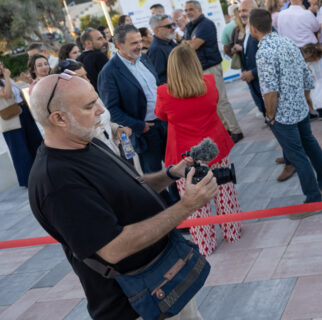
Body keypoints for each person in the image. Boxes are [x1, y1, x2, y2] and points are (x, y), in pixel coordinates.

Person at [27, 73, 214, 320]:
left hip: (164, 285)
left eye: (96, 100)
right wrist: (187, 206)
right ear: (59, 118)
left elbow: (131, 186)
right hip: (136, 306)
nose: (101, 109)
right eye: (89, 105)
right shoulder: (57, 181)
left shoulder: (87, 141)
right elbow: (113, 248)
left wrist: (171, 174)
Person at [155, 45, 242, 257]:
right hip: (215, 148)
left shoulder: (164, 93)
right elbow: (214, 103)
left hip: (185, 157)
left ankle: (205, 245)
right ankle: (232, 232)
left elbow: (161, 116)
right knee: (224, 192)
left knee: (194, 202)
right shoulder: (209, 84)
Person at [251, 9, 322, 212]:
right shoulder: (287, 42)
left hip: (282, 114)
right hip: (299, 107)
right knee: (310, 145)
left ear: (253, 28)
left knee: (297, 156)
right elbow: (306, 73)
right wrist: (306, 98)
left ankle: (313, 200)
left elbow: (270, 91)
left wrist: (270, 116)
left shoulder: (263, 52)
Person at [98, 24, 166, 174]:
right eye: (134, 43)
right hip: (145, 132)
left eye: (140, 41)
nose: (139, 46)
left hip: (165, 124)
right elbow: (111, 110)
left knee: (174, 170)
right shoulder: (109, 72)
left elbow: (157, 87)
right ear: (118, 44)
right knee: (154, 177)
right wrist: (139, 126)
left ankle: (178, 198)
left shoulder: (144, 59)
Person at [183, 0, 243, 143]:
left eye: (191, 9)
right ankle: (227, 130)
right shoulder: (191, 26)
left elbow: (192, 46)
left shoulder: (205, 24)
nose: (188, 12)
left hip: (210, 68)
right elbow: (185, 44)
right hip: (201, 69)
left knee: (221, 100)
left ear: (199, 9)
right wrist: (188, 43)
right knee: (212, 103)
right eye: (186, 10)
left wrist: (188, 43)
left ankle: (236, 131)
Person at [0, 61, 41, 187]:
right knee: (20, 150)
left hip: (23, 112)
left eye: (1, 64)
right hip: (11, 119)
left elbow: (16, 93)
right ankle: (28, 180)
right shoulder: (6, 78)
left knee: (35, 142)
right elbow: (6, 95)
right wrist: (7, 76)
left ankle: (41, 172)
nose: (1, 67)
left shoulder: (5, 79)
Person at [147, 14, 178, 85]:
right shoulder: (156, 50)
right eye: (168, 26)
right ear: (156, 30)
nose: (173, 28)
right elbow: (160, 78)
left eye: (173, 24)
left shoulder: (170, 42)